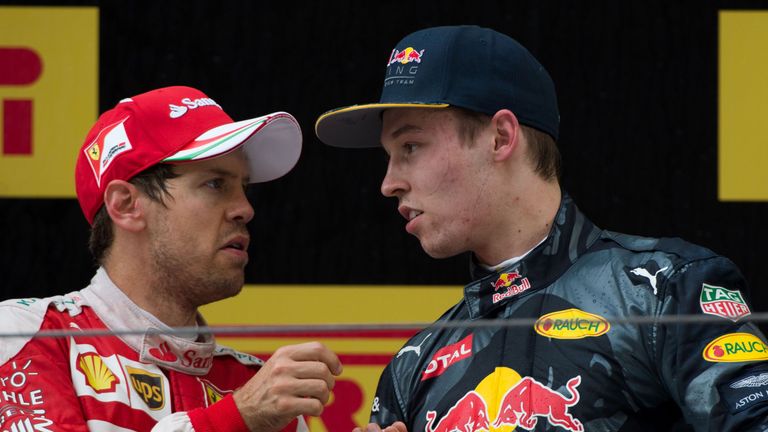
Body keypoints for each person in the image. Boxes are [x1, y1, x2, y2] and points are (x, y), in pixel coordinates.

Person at [315, 25, 768, 431]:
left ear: (500, 137)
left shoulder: (664, 289)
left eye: (411, 146)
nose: (388, 183)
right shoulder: (413, 365)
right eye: (388, 157)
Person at [0, 86, 342, 431]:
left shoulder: (257, 388)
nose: (245, 209)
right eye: (215, 184)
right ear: (126, 205)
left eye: (245, 187)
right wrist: (234, 418)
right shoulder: (25, 335)